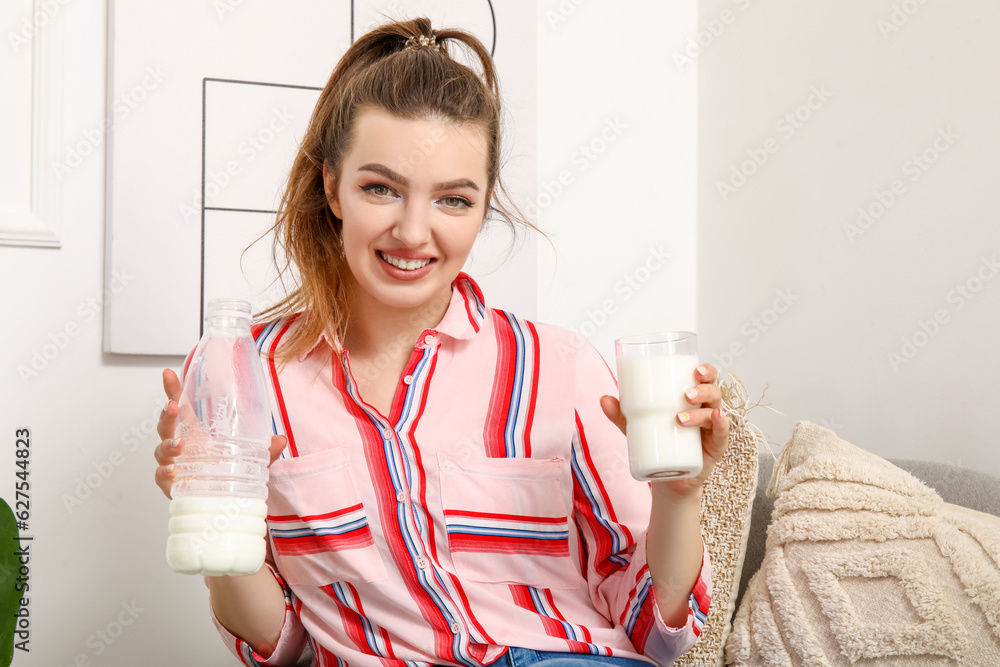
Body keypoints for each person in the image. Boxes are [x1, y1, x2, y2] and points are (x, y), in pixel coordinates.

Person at [153, 17, 729, 667]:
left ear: (484, 206)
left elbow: (659, 630)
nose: (412, 231)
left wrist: (680, 493)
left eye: (453, 200)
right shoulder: (252, 374)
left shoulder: (559, 367)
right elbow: (281, 650)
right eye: (380, 188)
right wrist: (215, 514)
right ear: (331, 186)